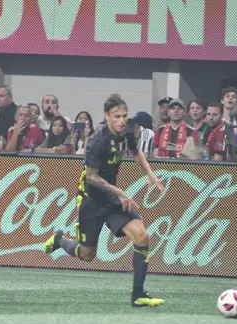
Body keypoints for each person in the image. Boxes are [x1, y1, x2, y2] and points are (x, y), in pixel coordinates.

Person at [43, 94, 165, 307]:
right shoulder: (98, 140)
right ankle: (60, 240)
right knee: (87, 254)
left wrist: (150, 174)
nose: (121, 120)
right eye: (117, 116)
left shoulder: (126, 132)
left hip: (114, 199)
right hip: (91, 199)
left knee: (142, 237)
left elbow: (136, 153)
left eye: (124, 116)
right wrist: (119, 192)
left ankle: (138, 295)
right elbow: (91, 177)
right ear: (106, 116)